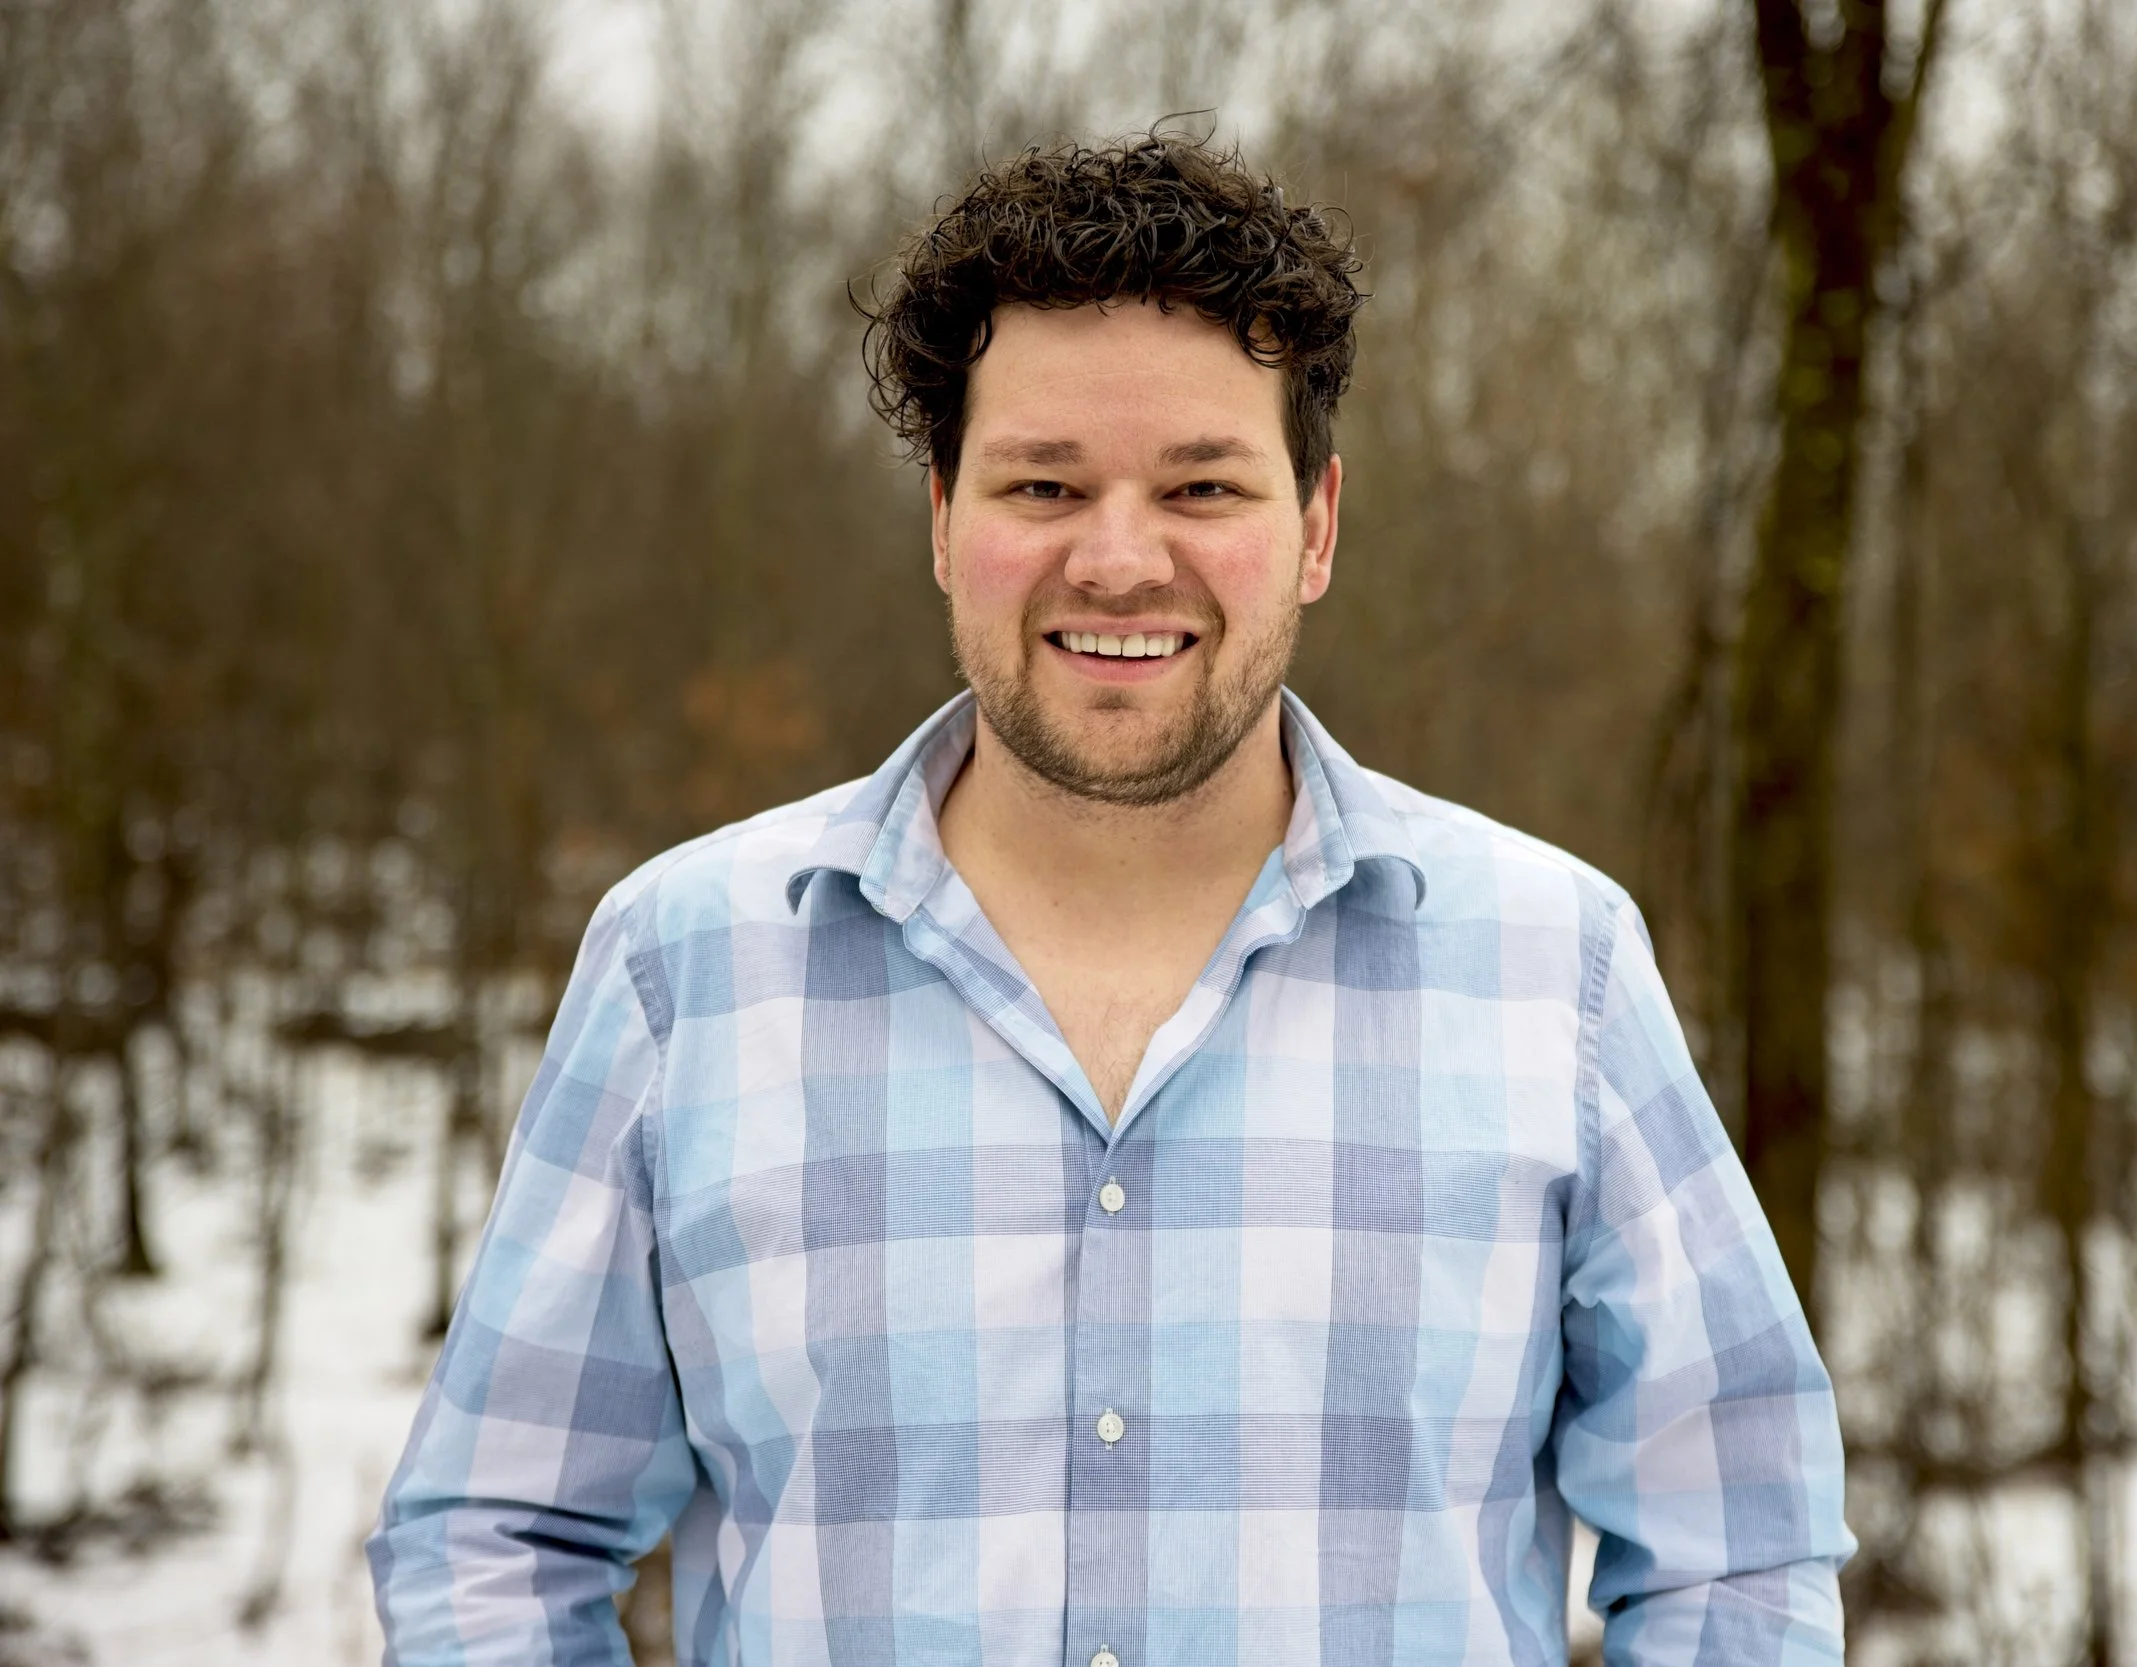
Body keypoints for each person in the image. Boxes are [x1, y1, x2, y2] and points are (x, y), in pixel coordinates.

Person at [368, 133, 1852, 1667]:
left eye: (1203, 483)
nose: (1122, 559)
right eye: (1044, 484)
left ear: (1318, 525)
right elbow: (498, 1536)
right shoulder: (686, 969)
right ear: (945, 517)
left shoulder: (1560, 970)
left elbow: (1740, 1543)